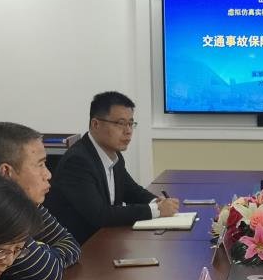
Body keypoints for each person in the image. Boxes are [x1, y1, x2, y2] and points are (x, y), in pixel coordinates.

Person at [45, 91, 180, 243]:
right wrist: (155, 210)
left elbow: (131, 190)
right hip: (80, 247)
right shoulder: (77, 161)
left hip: (105, 240)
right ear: (96, 124)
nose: (128, 131)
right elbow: (100, 214)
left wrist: (155, 201)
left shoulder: (113, 155)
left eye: (130, 124)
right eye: (120, 123)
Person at [0, 121, 81, 280]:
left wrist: (46, 251)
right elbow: (49, 274)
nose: (48, 174)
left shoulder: (27, 205)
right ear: (6, 172)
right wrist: (47, 250)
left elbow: (69, 242)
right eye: (40, 165)